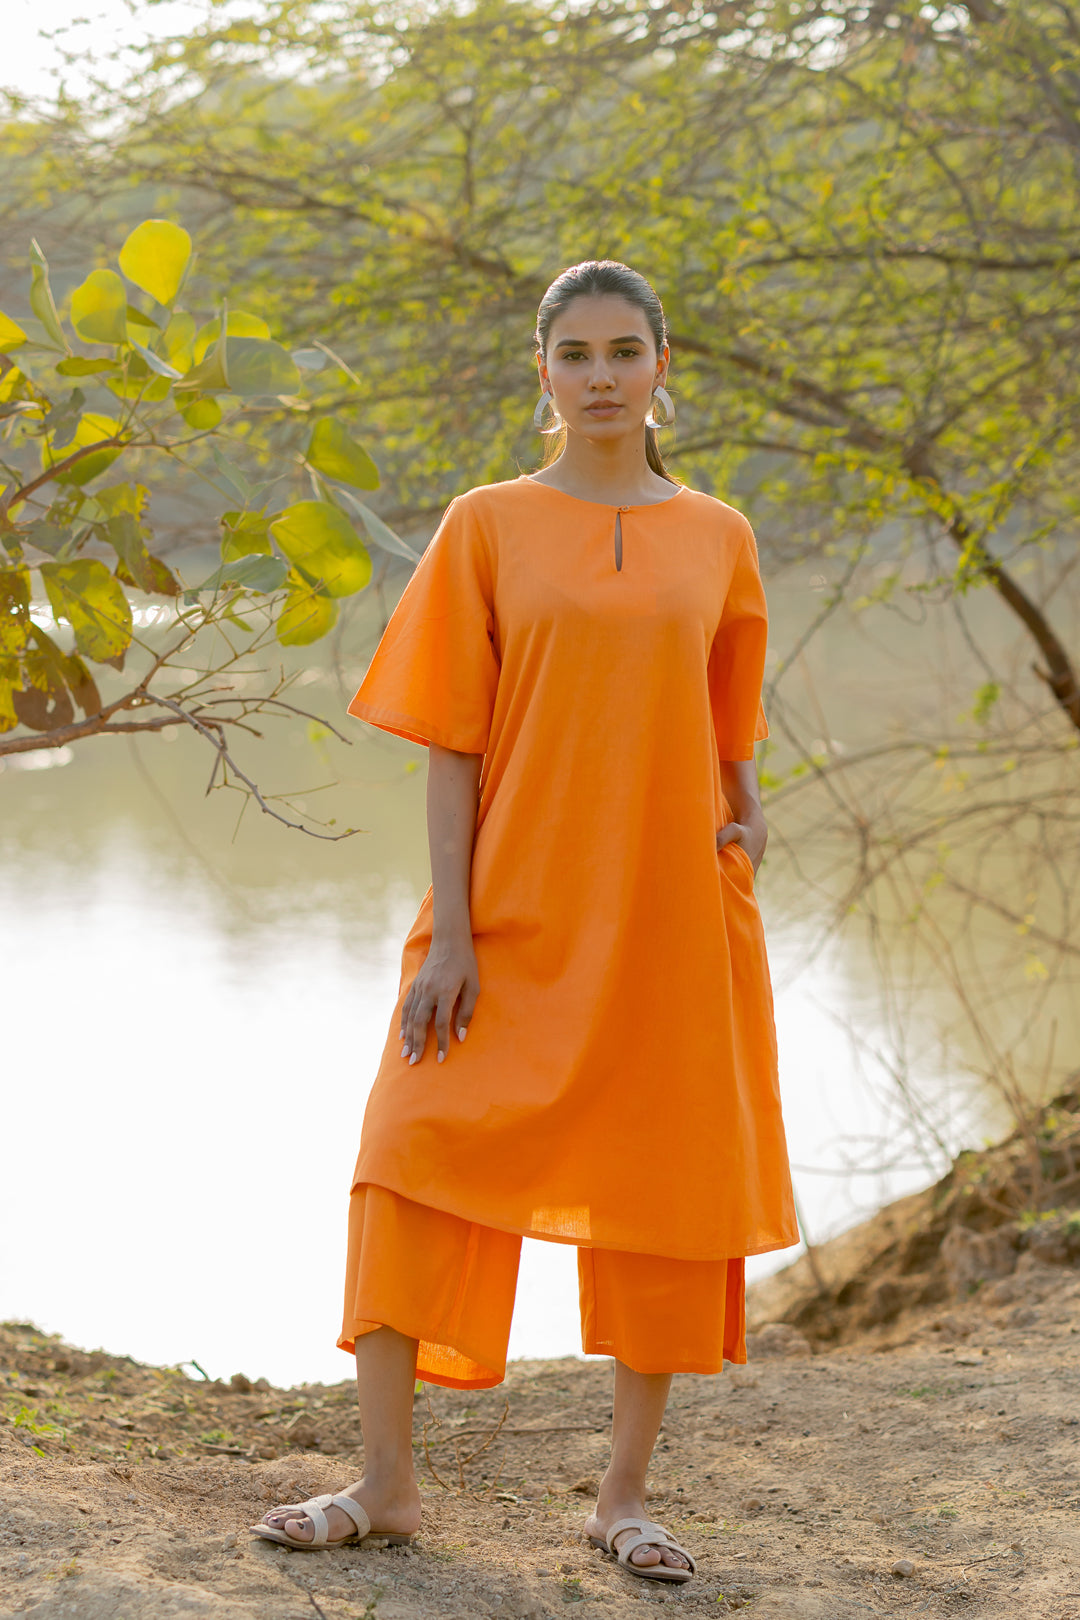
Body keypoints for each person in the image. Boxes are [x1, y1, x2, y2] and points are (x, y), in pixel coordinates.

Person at [251, 260, 797, 1585]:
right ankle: (387, 1484)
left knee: (663, 1190)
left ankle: (623, 1499)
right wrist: (452, 933)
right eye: (577, 354)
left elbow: (727, 726)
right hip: (507, 907)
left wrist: (746, 818)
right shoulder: (486, 523)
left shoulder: (718, 535)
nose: (602, 377)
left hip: (670, 915)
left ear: (662, 365)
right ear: (541, 372)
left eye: (625, 351)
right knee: (410, 1146)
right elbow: (453, 740)